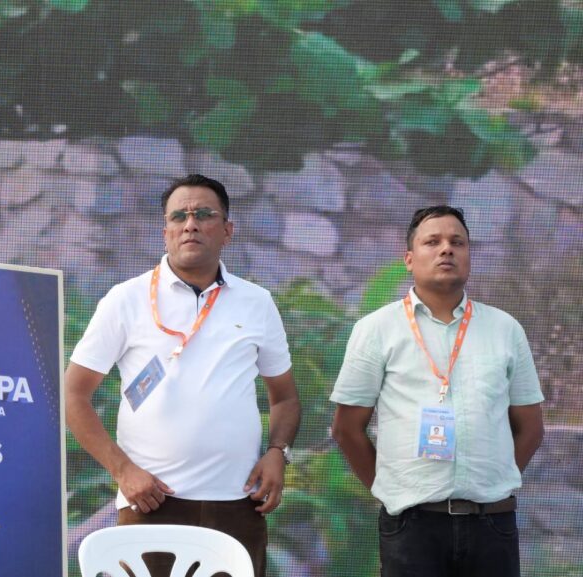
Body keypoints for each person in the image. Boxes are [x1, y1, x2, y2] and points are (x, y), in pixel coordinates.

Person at [66, 174, 301, 577]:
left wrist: (279, 452)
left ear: (227, 231)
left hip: (237, 505)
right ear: (166, 232)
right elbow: (74, 395)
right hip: (151, 503)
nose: (190, 224)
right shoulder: (126, 299)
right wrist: (123, 472)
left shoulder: (257, 303)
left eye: (204, 214)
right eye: (179, 216)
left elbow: (285, 398)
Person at [331, 205, 544, 577]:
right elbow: (346, 429)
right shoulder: (376, 329)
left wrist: (494, 483)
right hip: (412, 527)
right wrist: (392, 490)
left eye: (457, 242)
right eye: (433, 242)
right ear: (409, 259)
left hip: (492, 524)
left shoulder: (505, 329)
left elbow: (531, 428)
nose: (447, 249)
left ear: (469, 256)